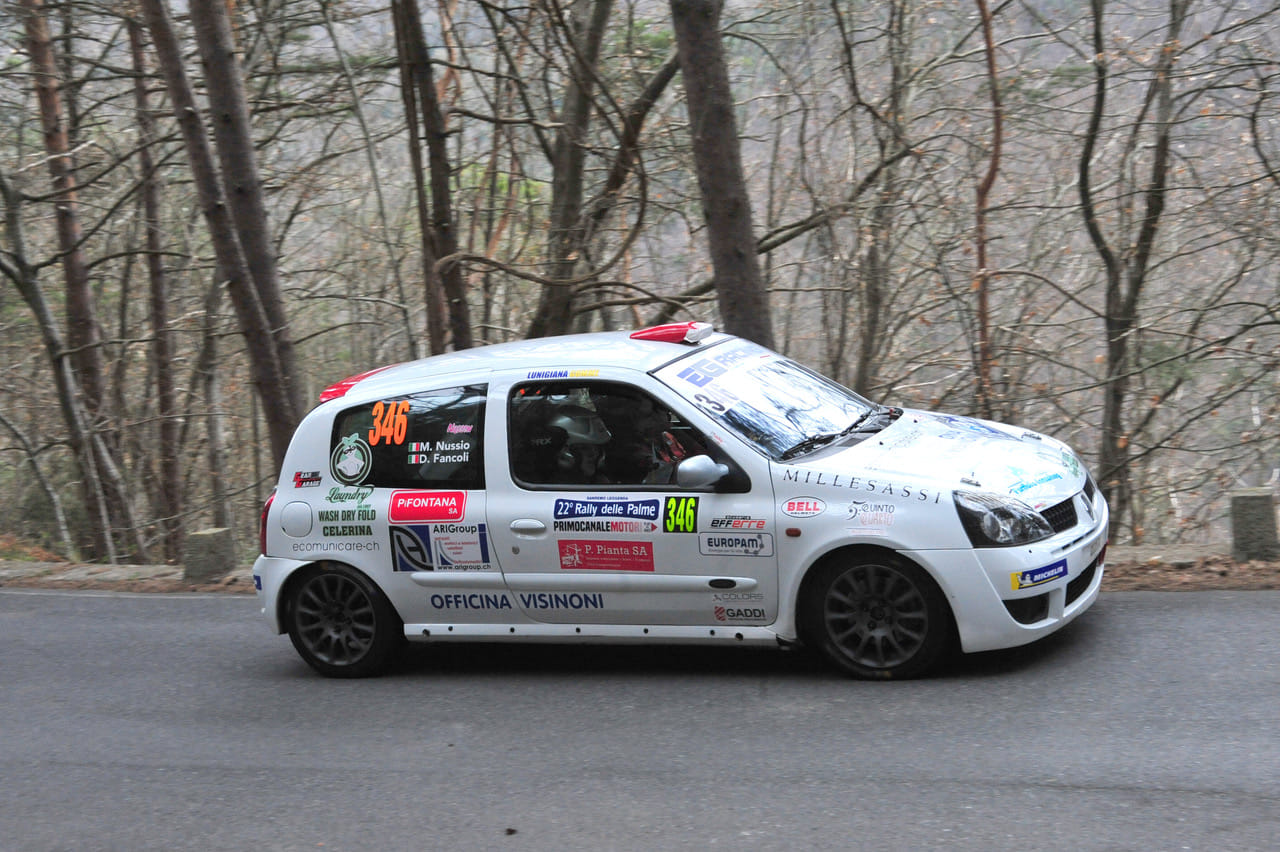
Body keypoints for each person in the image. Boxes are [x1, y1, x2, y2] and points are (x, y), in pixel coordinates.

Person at [545, 404, 612, 484]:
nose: (593, 454)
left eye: (597, 447)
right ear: (562, 451)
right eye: (584, 448)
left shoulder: (600, 482)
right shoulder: (554, 486)